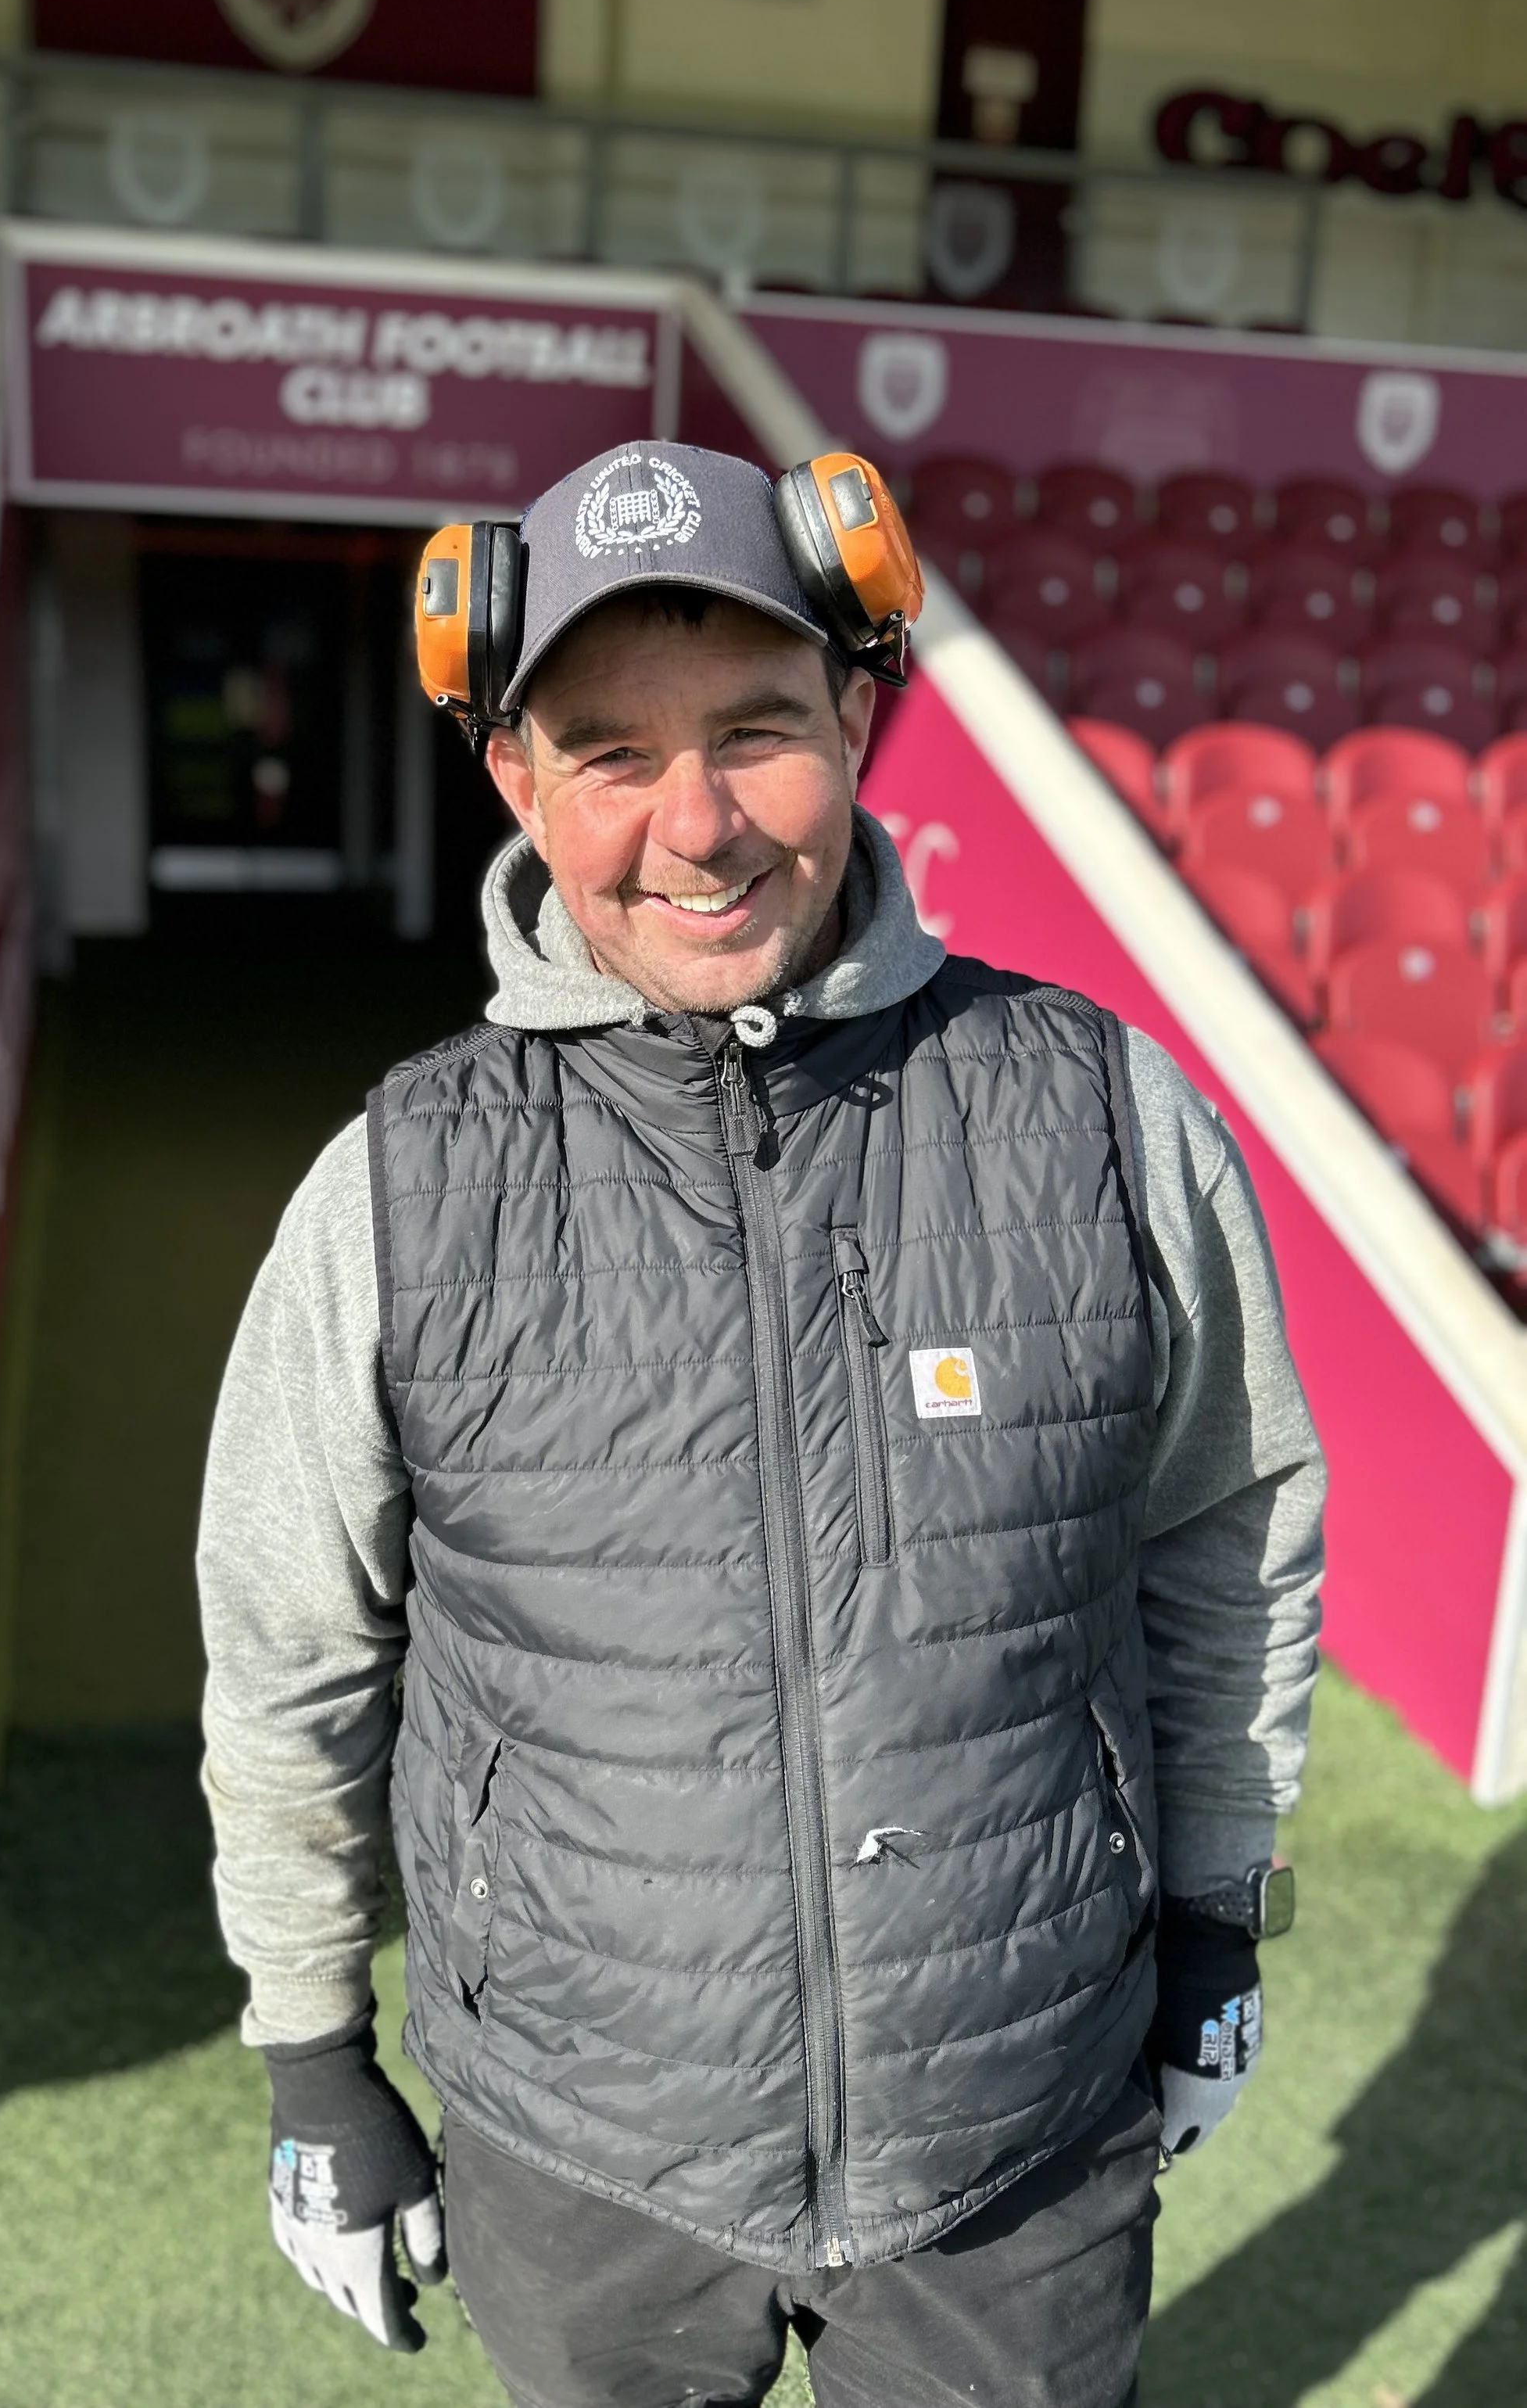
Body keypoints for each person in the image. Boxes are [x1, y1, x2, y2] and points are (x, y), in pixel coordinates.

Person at [197, 441, 1323, 2408]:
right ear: (514, 779)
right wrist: (312, 2052)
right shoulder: (388, 1188)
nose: (694, 825)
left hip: (1017, 2127)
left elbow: (1221, 1535)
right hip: (581, 2153)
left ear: (861, 720)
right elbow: (289, 1659)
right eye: (608, 752)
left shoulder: (1101, 1109)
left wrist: (1215, 1916)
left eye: (755, 730)